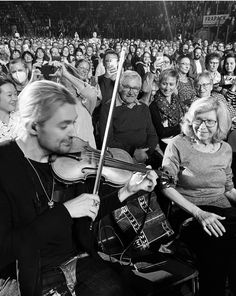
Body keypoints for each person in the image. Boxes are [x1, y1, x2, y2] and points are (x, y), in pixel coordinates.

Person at [0, 80, 157, 296]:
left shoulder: (67, 160)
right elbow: (5, 249)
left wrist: (127, 191)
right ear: (35, 125)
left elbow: (86, 212)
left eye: (73, 123)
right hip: (28, 274)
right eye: (63, 125)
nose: (73, 133)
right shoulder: (5, 164)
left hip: (77, 260)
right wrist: (65, 211)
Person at [162, 97, 236, 296]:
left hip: (221, 208)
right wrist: (199, 213)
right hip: (189, 211)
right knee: (217, 246)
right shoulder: (178, 144)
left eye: (210, 121)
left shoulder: (225, 149)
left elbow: (228, 188)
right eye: (198, 119)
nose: (202, 126)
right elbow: (165, 185)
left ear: (220, 123)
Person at [100, 70, 162, 169]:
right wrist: (133, 152)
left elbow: (153, 135)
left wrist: (145, 153)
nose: (131, 92)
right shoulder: (109, 108)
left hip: (145, 157)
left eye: (135, 88)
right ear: (120, 87)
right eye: (127, 87)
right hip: (121, 158)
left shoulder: (143, 108)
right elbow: (107, 141)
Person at [149, 69, 185, 152]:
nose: (167, 88)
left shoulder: (178, 101)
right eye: (164, 84)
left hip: (181, 141)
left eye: (171, 84)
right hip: (164, 146)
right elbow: (161, 132)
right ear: (159, 84)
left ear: (176, 84)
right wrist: (180, 127)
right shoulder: (153, 106)